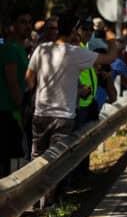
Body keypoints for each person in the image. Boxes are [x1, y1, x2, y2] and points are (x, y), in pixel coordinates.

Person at [25, 14, 117, 159]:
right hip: (64, 117)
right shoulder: (76, 52)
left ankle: (39, 182)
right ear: (74, 31)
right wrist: (111, 39)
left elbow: (29, 78)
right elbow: (110, 58)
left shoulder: (42, 49)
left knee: (37, 158)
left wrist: (38, 96)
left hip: (41, 114)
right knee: (59, 159)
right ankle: (59, 183)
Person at [0, 9, 32, 176]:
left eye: (29, 22)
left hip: (15, 113)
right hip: (7, 113)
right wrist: (20, 108)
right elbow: (12, 82)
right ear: (12, 26)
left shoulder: (20, 49)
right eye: (22, 22)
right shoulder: (9, 49)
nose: (27, 26)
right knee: (6, 160)